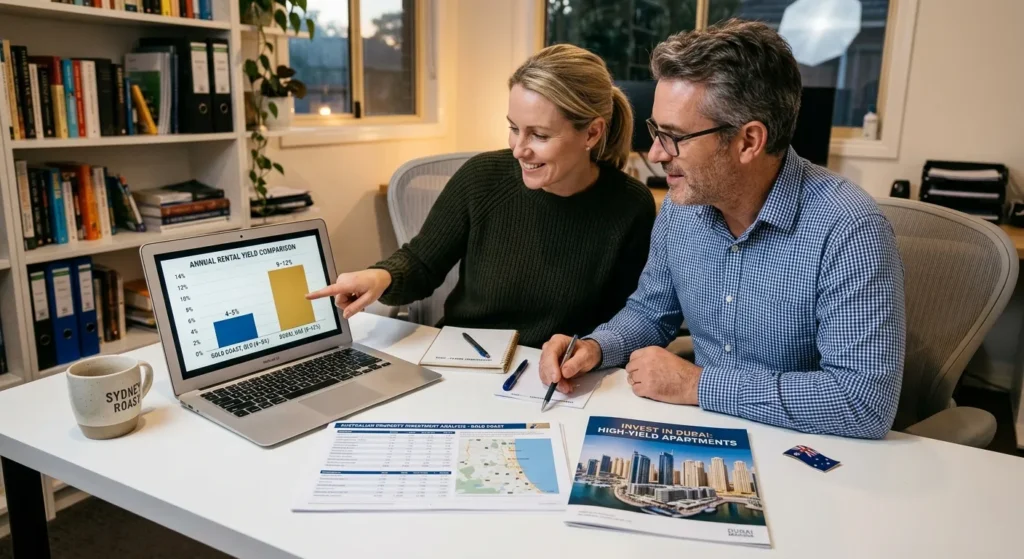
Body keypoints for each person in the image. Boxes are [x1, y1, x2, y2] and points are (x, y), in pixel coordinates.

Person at [539, 20, 906, 439]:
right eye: (655, 131)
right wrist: (595, 347)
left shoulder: (848, 229)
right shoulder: (683, 208)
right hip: (708, 433)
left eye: (674, 137)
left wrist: (698, 385)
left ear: (748, 141)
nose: (656, 153)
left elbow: (863, 401)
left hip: (807, 451)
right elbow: (649, 312)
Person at [307, 44, 655, 348]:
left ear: (591, 133)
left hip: (556, 377)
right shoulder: (482, 177)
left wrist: (589, 352)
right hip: (462, 359)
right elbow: (422, 263)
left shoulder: (629, 207)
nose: (519, 150)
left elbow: (626, 321)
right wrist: (379, 277)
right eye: (514, 128)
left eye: (540, 135)